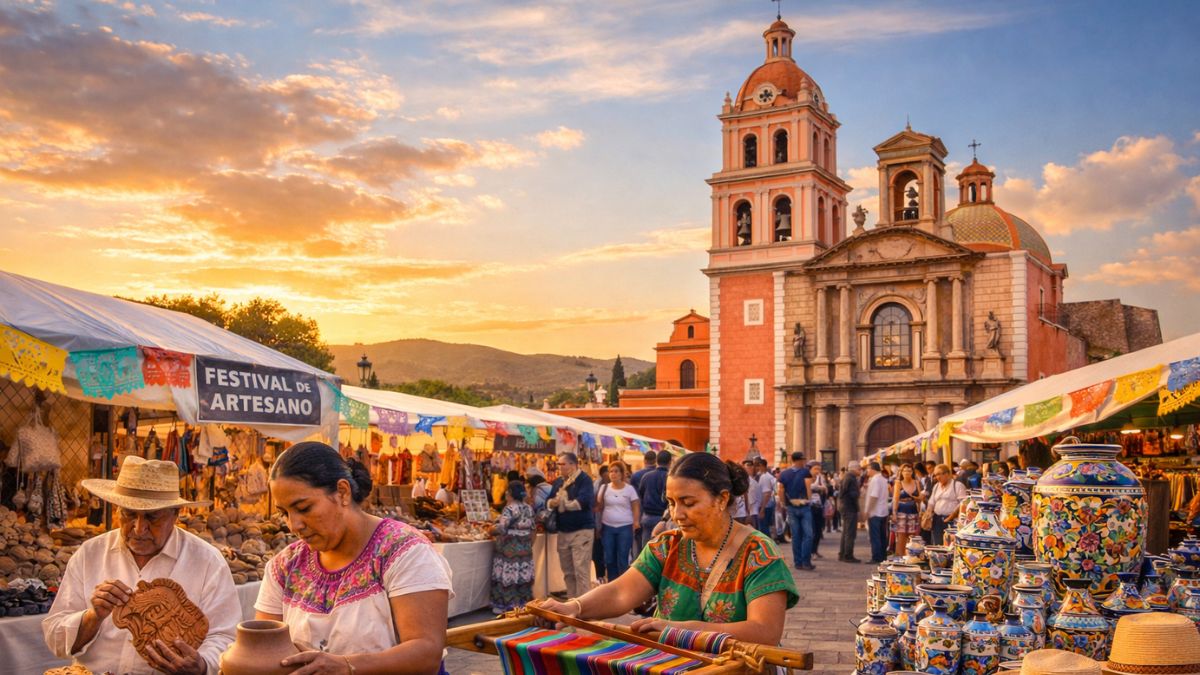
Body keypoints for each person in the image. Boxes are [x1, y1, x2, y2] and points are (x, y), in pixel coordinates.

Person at [539, 453, 798, 644]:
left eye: (688, 502)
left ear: (722, 499)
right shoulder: (667, 546)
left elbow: (765, 631)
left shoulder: (759, 554)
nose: (677, 514)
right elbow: (620, 593)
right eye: (672, 503)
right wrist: (575, 607)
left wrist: (676, 629)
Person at [255, 442, 452, 674]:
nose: (293, 525)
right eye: (284, 513)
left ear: (342, 492)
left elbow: (426, 653)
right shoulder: (285, 566)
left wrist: (346, 666)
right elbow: (263, 645)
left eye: (304, 508)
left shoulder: (405, 552)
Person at [43, 456, 239, 675]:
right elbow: (55, 637)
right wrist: (93, 616)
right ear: (117, 509)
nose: (138, 528)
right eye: (128, 514)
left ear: (176, 514)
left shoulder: (207, 562)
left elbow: (226, 638)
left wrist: (202, 665)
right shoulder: (90, 554)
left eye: (152, 517)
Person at [547, 452, 595, 599]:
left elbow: (584, 502)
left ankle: (584, 606)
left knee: (581, 570)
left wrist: (563, 504)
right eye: (559, 464)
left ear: (572, 465)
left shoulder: (584, 480)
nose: (559, 467)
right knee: (568, 571)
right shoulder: (558, 482)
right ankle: (571, 602)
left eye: (562, 464)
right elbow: (548, 501)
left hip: (581, 531)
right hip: (563, 531)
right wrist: (552, 503)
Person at [491, 481, 535, 615]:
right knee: (522, 575)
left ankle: (505, 605)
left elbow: (501, 528)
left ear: (510, 493)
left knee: (509, 575)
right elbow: (533, 528)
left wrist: (490, 529)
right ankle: (523, 604)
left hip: (509, 548)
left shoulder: (510, 509)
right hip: (525, 548)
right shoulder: (528, 508)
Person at [597, 461, 640, 581]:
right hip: (608, 527)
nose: (613, 474)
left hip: (625, 527)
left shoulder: (629, 489)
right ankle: (612, 583)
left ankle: (623, 583)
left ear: (622, 473)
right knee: (609, 558)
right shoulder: (604, 488)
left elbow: (635, 506)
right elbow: (599, 506)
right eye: (611, 471)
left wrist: (636, 522)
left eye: (616, 471)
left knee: (622, 558)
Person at [777, 451, 815, 571]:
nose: (804, 462)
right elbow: (808, 487)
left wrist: (784, 503)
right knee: (808, 535)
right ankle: (806, 562)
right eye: (803, 460)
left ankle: (798, 562)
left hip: (791, 507)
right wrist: (809, 500)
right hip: (804, 506)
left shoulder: (784, 474)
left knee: (796, 535)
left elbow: (781, 490)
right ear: (799, 460)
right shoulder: (805, 472)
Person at [637, 450, 671, 551]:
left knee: (647, 550)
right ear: (670, 462)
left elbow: (641, 495)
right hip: (664, 518)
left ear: (656, 461)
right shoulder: (670, 478)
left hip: (647, 517)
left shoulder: (646, 476)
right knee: (663, 551)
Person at [927, 463, 967, 545]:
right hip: (937, 519)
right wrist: (928, 513)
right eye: (936, 475)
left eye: (939, 474)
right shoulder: (936, 486)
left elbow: (963, 504)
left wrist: (951, 516)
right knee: (937, 543)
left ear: (947, 474)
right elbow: (931, 502)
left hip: (952, 520)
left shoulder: (958, 485)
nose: (938, 477)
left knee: (950, 544)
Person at [891, 462, 924, 557]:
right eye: (905, 470)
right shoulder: (898, 483)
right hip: (901, 511)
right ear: (901, 472)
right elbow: (896, 498)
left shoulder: (917, 482)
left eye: (909, 470)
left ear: (912, 472)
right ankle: (901, 557)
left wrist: (921, 510)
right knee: (901, 536)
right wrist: (894, 513)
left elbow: (920, 498)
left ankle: (911, 557)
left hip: (914, 511)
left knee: (912, 536)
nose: (907, 472)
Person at [864, 462, 891, 564]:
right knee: (882, 535)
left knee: (875, 536)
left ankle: (876, 557)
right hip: (883, 511)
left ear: (872, 469)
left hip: (875, 512)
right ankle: (883, 556)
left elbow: (874, 496)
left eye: (868, 469)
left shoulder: (875, 480)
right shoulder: (883, 479)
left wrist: (868, 510)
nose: (867, 471)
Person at [838, 463, 862, 563]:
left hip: (845, 506)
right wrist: (858, 493)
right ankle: (848, 555)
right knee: (850, 532)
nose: (860, 471)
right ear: (854, 469)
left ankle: (843, 554)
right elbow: (853, 494)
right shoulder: (851, 478)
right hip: (849, 507)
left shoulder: (847, 477)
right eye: (859, 469)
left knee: (846, 532)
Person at [592, 464, 611, 583]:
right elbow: (596, 508)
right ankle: (600, 576)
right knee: (598, 552)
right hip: (600, 524)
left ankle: (610, 577)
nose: (610, 475)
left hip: (612, 525)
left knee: (609, 553)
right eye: (609, 473)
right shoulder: (597, 487)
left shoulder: (622, 486)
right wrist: (597, 527)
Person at [809, 462, 830, 559]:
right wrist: (819, 488)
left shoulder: (821, 478)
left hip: (819, 506)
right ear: (811, 469)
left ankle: (815, 550)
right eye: (815, 469)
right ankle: (811, 552)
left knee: (818, 530)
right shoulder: (807, 477)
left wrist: (820, 488)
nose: (817, 471)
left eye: (819, 469)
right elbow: (809, 487)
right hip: (809, 507)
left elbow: (825, 489)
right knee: (812, 530)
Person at [756, 458, 776, 538]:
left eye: (757, 466)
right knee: (766, 527)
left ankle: (768, 545)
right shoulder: (767, 476)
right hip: (768, 504)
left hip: (766, 505)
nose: (757, 468)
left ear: (761, 466)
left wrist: (762, 509)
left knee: (764, 528)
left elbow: (767, 494)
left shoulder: (764, 477)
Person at [741, 459, 762, 530]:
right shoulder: (751, 481)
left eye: (750, 466)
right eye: (747, 466)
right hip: (752, 512)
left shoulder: (750, 482)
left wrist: (747, 513)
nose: (750, 468)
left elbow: (751, 500)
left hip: (751, 513)